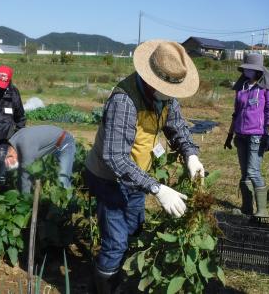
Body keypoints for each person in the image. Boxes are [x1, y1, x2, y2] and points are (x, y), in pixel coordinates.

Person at [84, 40, 204, 293]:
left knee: (135, 227)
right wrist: (158, 189)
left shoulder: (165, 97)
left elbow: (178, 126)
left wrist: (191, 154)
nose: (172, 96)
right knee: (116, 241)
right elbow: (115, 158)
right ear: (152, 81)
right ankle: (105, 286)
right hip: (109, 178)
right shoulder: (124, 100)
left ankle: (120, 275)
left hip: (137, 175)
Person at [224, 53, 269, 217]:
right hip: (241, 135)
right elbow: (236, 113)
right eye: (246, 69)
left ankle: (262, 211)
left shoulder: (265, 88)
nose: (247, 72)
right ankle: (247, 209)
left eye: (251, 69)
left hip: (256, 135)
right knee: (244, 173)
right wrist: (229, 135)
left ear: (258, 71)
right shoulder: (242, 87)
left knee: (253, 172)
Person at [0, 125, 76, 193]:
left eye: (8, 165)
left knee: (62, 180)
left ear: (10, 155)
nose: (9, 167)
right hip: (50, 146)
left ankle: (67, 208)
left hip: (64, 143)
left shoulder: (25, 147)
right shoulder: (13, 143)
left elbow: (25, 177)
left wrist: (25, 200)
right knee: (42, 175)